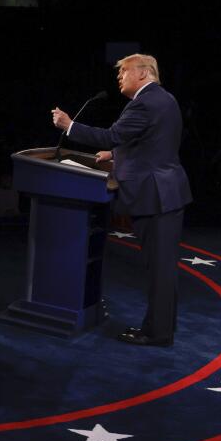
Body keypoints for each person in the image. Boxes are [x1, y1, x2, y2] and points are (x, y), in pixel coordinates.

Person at [51, 54, 191, 347]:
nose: (119, 77)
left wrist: (69, 126)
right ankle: (159, 328)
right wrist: (116, 155)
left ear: (142, 73)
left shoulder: (144, 102)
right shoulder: (163, 99)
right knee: (160, 269)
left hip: (157, 196)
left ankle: (157, 333)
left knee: (160, 270)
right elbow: (154, 141)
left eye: (124, 72)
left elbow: (112, 134)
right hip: (164, 192)